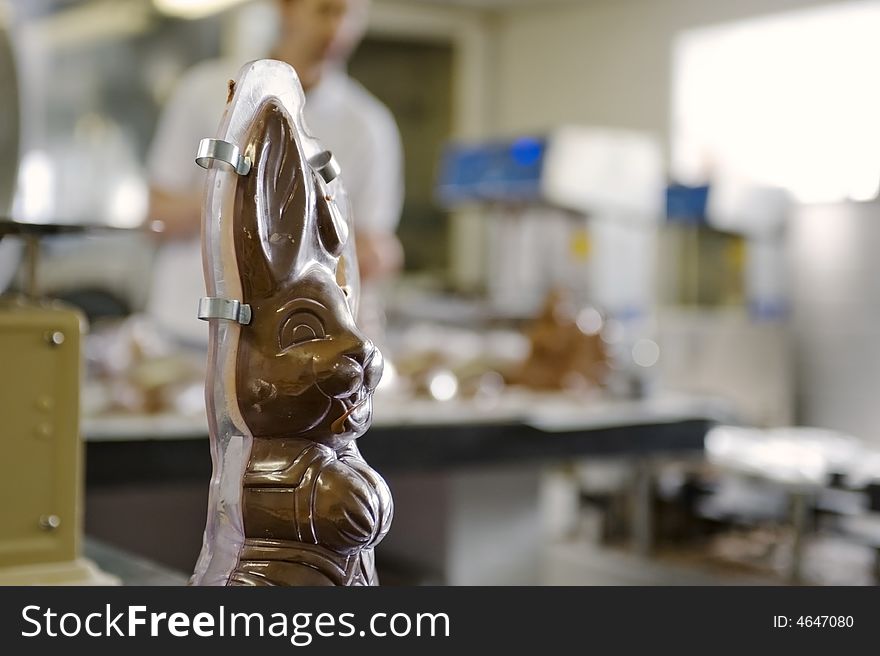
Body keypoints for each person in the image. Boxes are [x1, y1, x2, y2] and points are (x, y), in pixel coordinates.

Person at [145, 0, 404, 344]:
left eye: (350, 15)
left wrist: (376, 257)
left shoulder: (368, 125)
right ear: (286, 8)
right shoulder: (204, 92)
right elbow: (156, 216)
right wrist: (244, 196)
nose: (338, 30)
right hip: (188, 334)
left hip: (298, 349)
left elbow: (373, 245)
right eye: (325, 10)